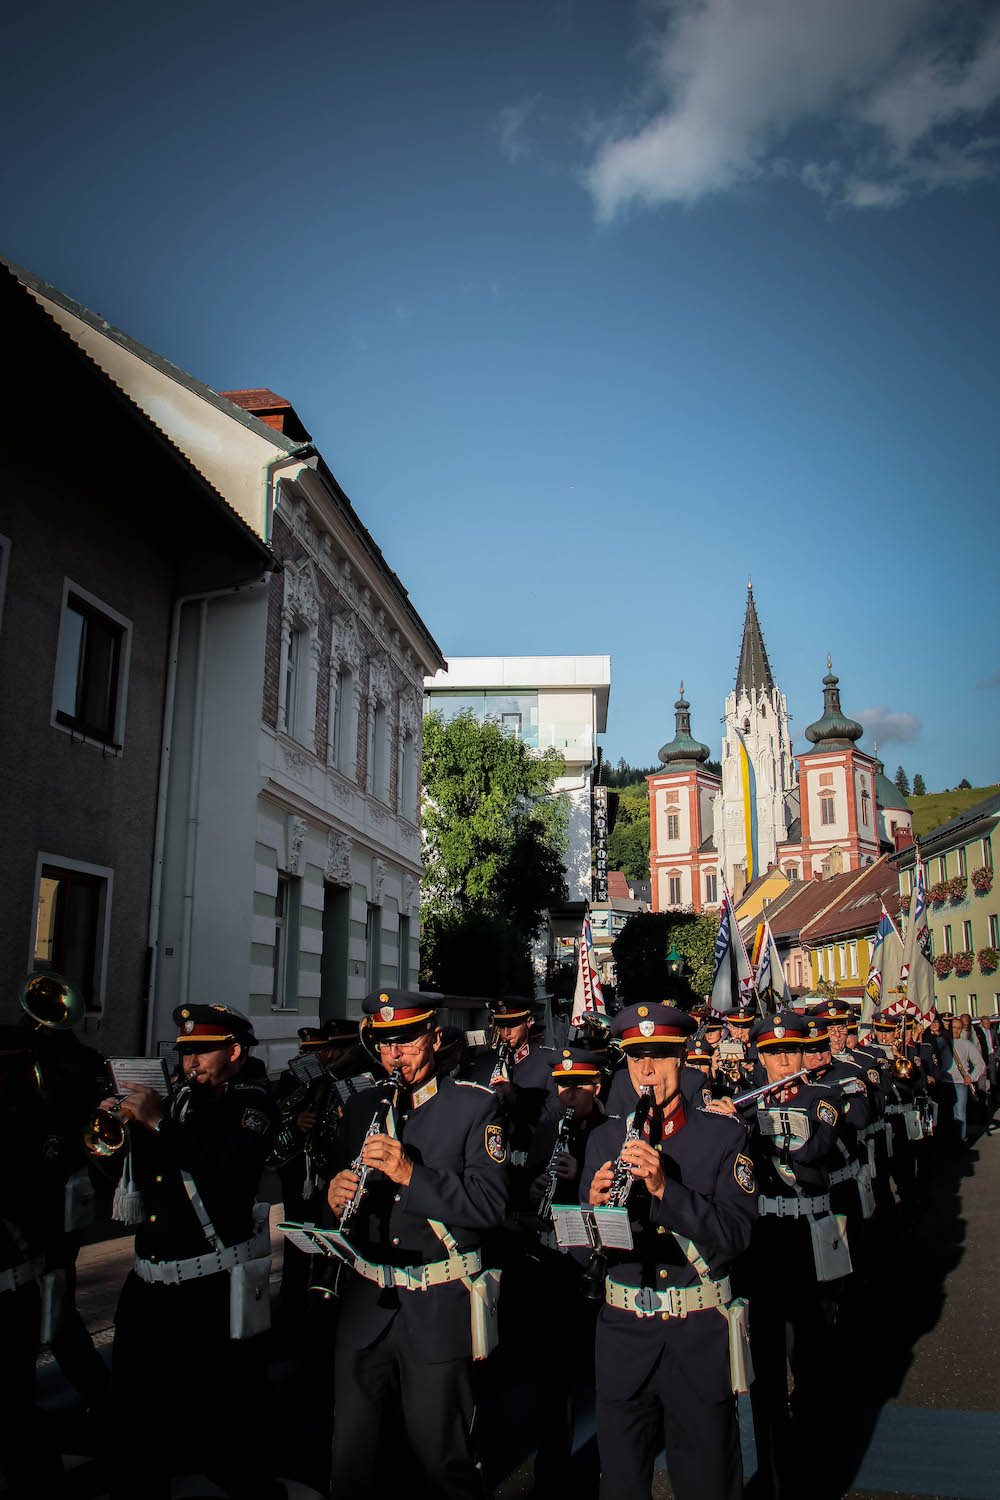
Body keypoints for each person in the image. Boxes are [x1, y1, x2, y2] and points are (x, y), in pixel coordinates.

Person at [326, 990, 508, 1499]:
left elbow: (488, 1207)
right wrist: (334, 1197)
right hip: (367, 1306)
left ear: (432, 1037)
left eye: (405, 1041)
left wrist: (411, 1174)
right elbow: (342, 1204)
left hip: (436, 1304)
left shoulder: (474, 1107)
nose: (394, 1055)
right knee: (351, 1457)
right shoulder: (363, 1104)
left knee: (441, 1457)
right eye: (384, 1044)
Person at [581, 1003, 756, 1500]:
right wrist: (594, 1215)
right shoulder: (604, 1140)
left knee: (707, 1482)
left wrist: (665, 1191)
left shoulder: (722, 1136)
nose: (647, 1071)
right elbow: (580, 1254)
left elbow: (737, 1235)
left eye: (658, 1057)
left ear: (682, 1058)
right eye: (636, 1058)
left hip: (696, 1334)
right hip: (623, 1337)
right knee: (620, 1485)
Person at [107, 1004, 280, 1500]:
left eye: (201, 1051)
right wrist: (118, 1135)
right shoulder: (177, 1101)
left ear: (233, 1051)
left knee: (228, 1407)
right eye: (184, 1053)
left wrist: (158, 1122)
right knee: (135, 1406)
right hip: (150, 1280)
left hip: (210, 1285)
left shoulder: (252, 1104)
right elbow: (140, 1184)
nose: (190, 1063)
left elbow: (225, 1168)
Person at [713, 1012, 849, 1498]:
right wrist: (726, 1122)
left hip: (808, 1238)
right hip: (764, 1239)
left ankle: (813, 1471)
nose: (781, 1061)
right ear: (760, 1058)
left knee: (810, 1362)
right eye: (771, 1054)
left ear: (802, 1055)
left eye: (789, 1052)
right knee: (766, 1371)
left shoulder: (824, 1097)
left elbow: (814, 1149)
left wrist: (754, 1119)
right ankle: (773, 1478)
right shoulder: (742, 1103)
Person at [469, 996, 557, 1161]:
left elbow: (554, 1117)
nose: (506, 1033)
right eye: (501, 1026)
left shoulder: (547, 1061)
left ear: (529, 1022)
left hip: (529, 1158)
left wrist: (515, 1097)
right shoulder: (484, 1062)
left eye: (513, 1025)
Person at [939, 1013, 986, 1144]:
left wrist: (971, 1077)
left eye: (959, 1028)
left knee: (960, 1114)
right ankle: (947, 1140)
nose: (956, 1030)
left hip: (960, 1083)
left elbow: (980, 1064)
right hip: (945, 1083)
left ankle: (961, 1140)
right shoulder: (942, 1042)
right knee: (945, 1115)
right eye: (953, 1027)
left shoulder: (967, 1044)